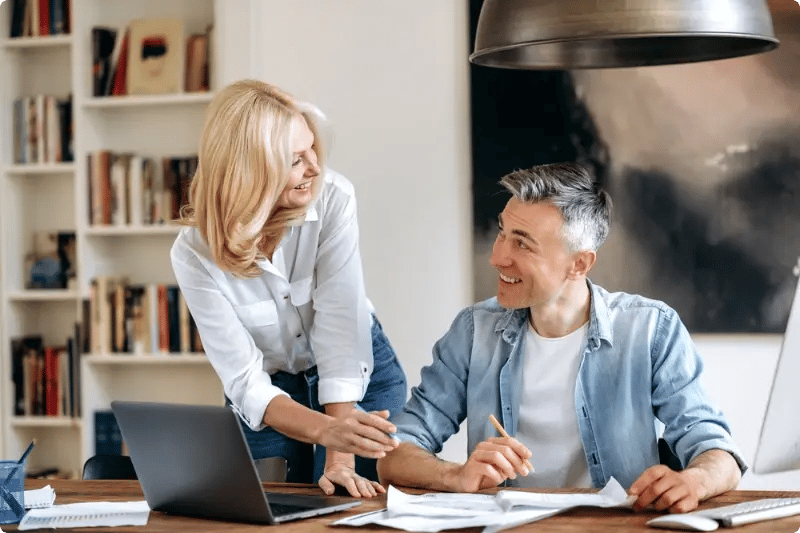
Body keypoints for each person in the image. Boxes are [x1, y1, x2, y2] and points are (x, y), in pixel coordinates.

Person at [377, 162, 746, 513]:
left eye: (522, 243)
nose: (498, 256)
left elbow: (717, 452)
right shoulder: (474, 331)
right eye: (502, 232)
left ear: (580, 264)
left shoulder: (651, 329)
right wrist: (455, 475)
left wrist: (693, 481)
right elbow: (394, 453)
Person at [171, 79, 407, 498]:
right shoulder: (193, 254)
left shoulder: (333, 198)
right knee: (269, 510)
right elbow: (244, 379)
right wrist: (329, 431)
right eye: (296, 159)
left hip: (358, 375)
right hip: (273, 393)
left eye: (312, 148)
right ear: (250, 171)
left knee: (355, 506)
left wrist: (339, 453)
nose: (315, 167)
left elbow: (340, 327)